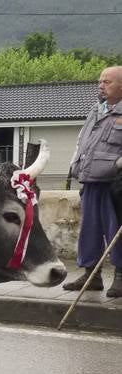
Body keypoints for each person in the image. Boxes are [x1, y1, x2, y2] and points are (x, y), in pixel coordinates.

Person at [63, 66, 122, 296]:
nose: (100, 85)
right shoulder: (96, 110)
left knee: (115, 229)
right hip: (90, 181)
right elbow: (83, 142)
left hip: (114, 184)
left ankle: (120, 276)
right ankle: (91, 275)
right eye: (100, 81)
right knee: (90, 229)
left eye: (106, 82)